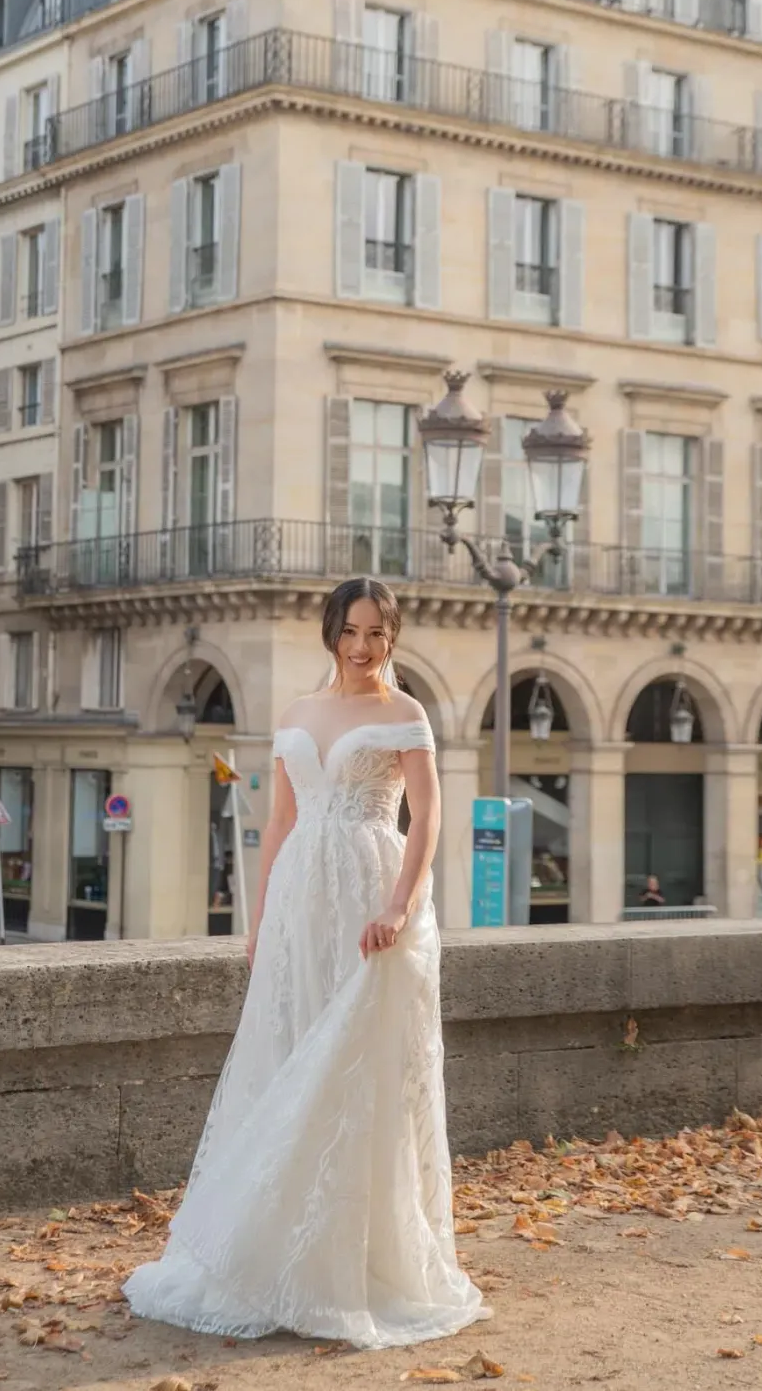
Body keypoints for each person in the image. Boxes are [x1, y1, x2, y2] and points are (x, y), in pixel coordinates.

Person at [123, 577, 488, 1350]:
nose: (362, 647)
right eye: (350, 632)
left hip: (368, 897)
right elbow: (281, 822)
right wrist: (261, 923)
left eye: (376, 633)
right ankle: (270, 1254)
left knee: (356, 1070)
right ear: (330, 633)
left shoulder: (406, 712)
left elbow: (428, 816)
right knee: (288, 1054)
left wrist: (398, 906)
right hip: (299, 903)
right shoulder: (295, 713)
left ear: (392, 637)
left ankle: (351, 1263)